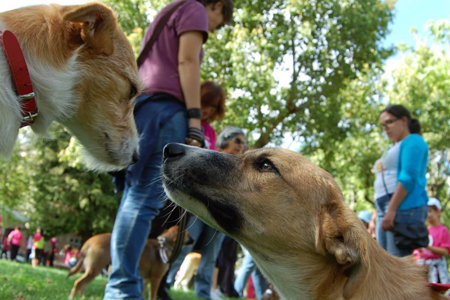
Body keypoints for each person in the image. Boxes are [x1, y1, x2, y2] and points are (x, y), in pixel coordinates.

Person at [104, 1, 234, 297]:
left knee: (132, 199)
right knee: (142, 202)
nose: (214, 28)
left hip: (144, 109)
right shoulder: (194, 9)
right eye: (220, 20)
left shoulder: (167, 12)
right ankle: (123, 290)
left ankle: (120, 287)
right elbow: (188, 62)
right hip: (167, 111)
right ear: (215, 5)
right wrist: (194, 120)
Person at [165, 81, 227, 299]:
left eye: (214, 106)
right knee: (182, 242)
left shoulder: (210, 130)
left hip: (207, 198)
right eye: (207, 103)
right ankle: (165, 281)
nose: (209, 110)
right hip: (185, 197)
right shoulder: (185, 121)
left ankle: (203, 293)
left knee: (209, 253)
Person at [368, 104, 429, 257]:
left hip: (402, 208)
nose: (386, 128)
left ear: (403, 120)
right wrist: (376, 217)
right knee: (384, 261)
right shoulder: (394, 147)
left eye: (389, 122)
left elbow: (408, 177)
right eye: (383, 125)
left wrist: (392, 210)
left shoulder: (413, 141)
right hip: (387, 209)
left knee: (396, 263)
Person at [211, 126, 247, 299]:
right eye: (238, 141)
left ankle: (220, 288)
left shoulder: (239, 166)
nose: (241, 146)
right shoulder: (212, 157)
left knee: (225, 255)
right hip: (206, 213)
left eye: (244, 143)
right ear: (225, 138)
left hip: (228, 217)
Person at [414, 198, 450, 283]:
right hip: (424, 269)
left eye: (429, 211)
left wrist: (427, 246)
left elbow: (445, 251)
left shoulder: (443, 230)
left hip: (437, 269)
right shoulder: (425, 230)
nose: (427, 214)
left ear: (438, 211)